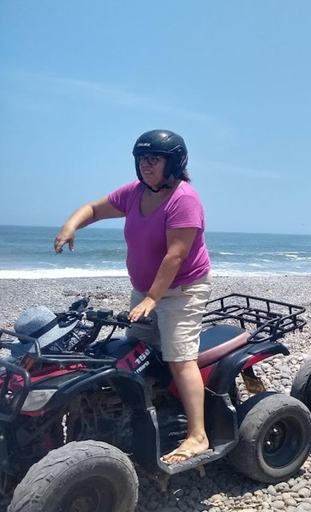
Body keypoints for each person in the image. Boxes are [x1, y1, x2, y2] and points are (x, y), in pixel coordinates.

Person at [54, 129, 212, 464]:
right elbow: (93, 209)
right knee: (136, 352)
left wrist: (153, 300)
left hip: (182, 290)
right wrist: (71, 225)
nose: (146, 165)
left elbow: (175, 256)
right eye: (141, 158)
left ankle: (198, 435)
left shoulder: (184, 199)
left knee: (179, 357)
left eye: (154, 158)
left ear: (173, 162)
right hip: (145, 290)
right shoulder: (135, 193)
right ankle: (147, 413)